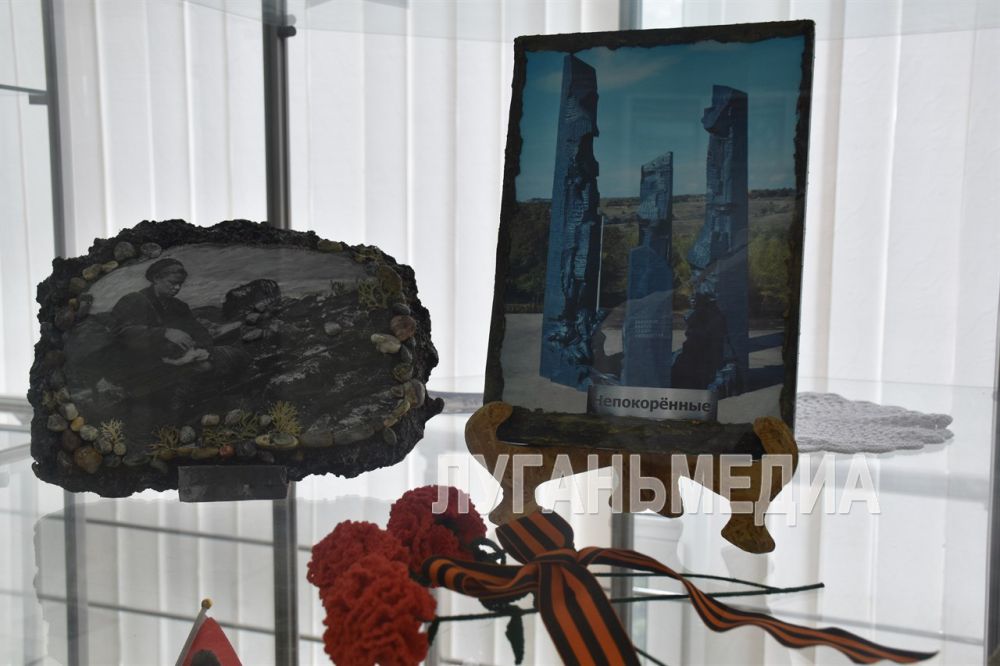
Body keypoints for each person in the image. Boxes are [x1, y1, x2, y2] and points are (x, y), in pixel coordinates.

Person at [110, 258, 248, 432]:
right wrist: (164, 332)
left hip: (181, 360)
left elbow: (200, 333)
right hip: (142, 366)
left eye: (180, 284)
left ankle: (200, 414)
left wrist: (200, 350)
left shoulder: (179, 306)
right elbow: (121, 334)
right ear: (156, 279)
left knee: (225, 359)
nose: (177, 288)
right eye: (172, 283)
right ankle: (172, 422)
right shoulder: (134, 301)